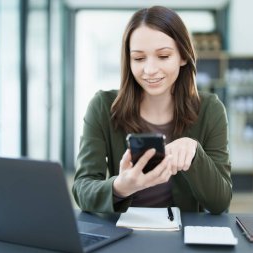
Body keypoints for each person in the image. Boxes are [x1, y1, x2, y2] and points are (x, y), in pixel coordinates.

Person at [72, 6, 232, 214]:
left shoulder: (210, 109)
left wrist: (195, 154)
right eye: (139, 58)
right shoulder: (103, 106)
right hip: (122, 235)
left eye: (163, 56)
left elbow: (220, 203)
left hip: (181, 238)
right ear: (128, 61)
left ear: (183, 56)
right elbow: (82, 188)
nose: (150, 70)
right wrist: (121, 187)